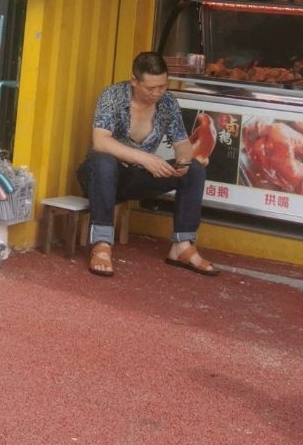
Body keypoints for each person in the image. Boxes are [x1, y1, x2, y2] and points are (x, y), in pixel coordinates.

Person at [77, 51, 216, 277]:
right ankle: (101, 243)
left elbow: (182, 142)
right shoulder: (112, 96)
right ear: (134, 80)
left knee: (195, 170)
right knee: (104, 161)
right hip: (100, 176)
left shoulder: (168, 102)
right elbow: (100, 141)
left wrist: (183, 160)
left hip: (139, 176)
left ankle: (182, 246)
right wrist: (144, 157)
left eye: (162, 86)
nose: (157, 93)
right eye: (151, 88)